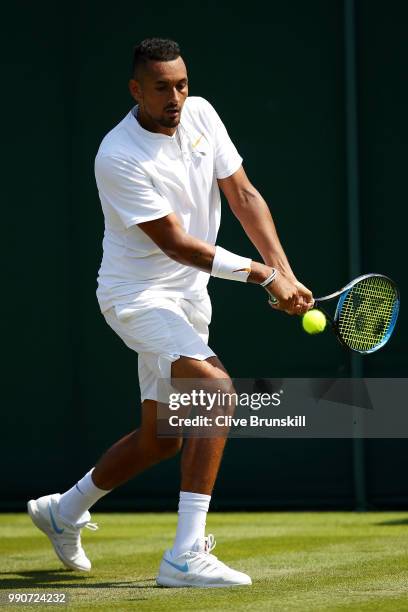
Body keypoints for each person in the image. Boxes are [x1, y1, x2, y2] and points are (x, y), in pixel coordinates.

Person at [27, 38, 314, 588]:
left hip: (188, 299)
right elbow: (177, 244)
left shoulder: (202, 113)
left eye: (181, 84)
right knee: (216, 391)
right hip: (135, 298)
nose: (176, 97)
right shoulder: (117, 155)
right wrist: (261, 276)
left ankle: (63, 511)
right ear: (136, 90)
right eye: (162, 88)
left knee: (163, 436)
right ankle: (184, 555)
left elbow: (244, 196)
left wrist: (285, 273)